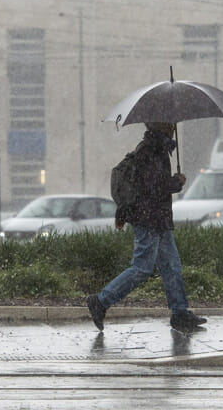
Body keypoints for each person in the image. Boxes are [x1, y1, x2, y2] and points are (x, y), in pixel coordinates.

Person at [86, 122, 207, 332]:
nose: (173, 126)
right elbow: (152, 187)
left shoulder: (157, 148)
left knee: (171, 267)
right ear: (161, 126)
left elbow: (149, 186)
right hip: (149, 219)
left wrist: (171, 183)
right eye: (169, 124)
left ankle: (179, 313)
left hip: (158, 219)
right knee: (142, 268)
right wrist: (175, 183)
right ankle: (101, 301)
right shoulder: (150, 150)